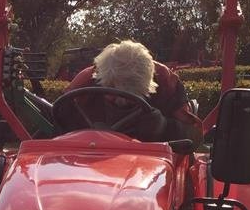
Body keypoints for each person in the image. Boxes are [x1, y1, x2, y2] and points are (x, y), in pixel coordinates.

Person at [59, 40, 202, 144]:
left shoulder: (166, 83)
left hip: (148, 166)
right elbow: (57, 129)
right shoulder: (82, 87)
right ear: (101, 80)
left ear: (148, 86)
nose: (120, 101)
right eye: (112, 93)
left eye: (130, 95)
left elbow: (194, 137)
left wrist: (164, 127)